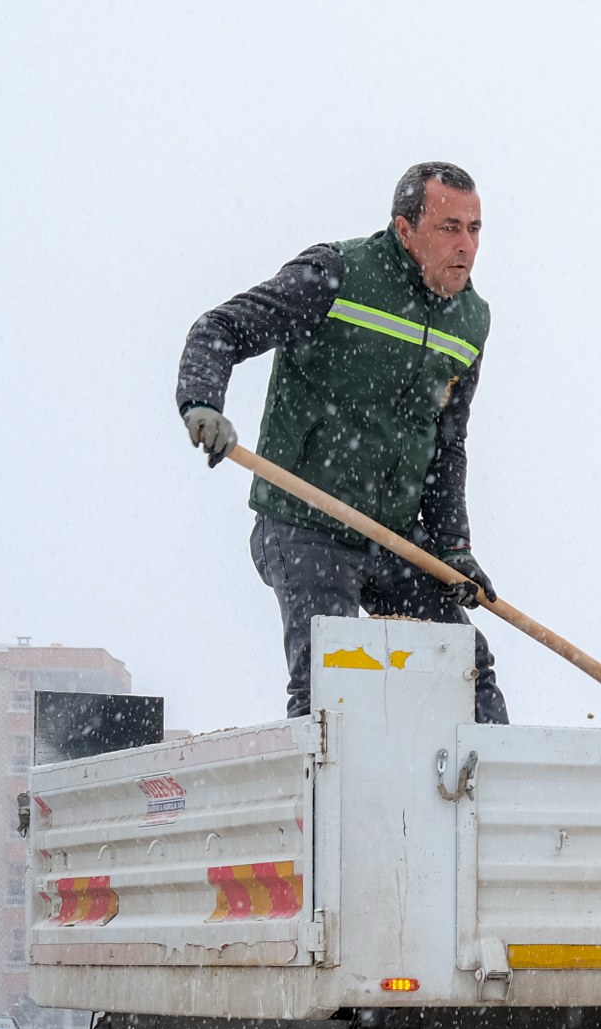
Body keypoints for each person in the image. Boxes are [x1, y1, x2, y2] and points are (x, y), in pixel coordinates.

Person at [176, 161, 508, 724]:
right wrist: (202, 403)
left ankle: (499, 779)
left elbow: (447, 444)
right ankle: (322, 780)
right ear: (405, 230)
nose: (466, 246)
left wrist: (453, 547)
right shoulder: (335, 275)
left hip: (394, 534)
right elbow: (221, 328)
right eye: (449, 227)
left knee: (465, 669)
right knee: (330, 683)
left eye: (474, 229)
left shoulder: (470, 319)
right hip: (306, 524)